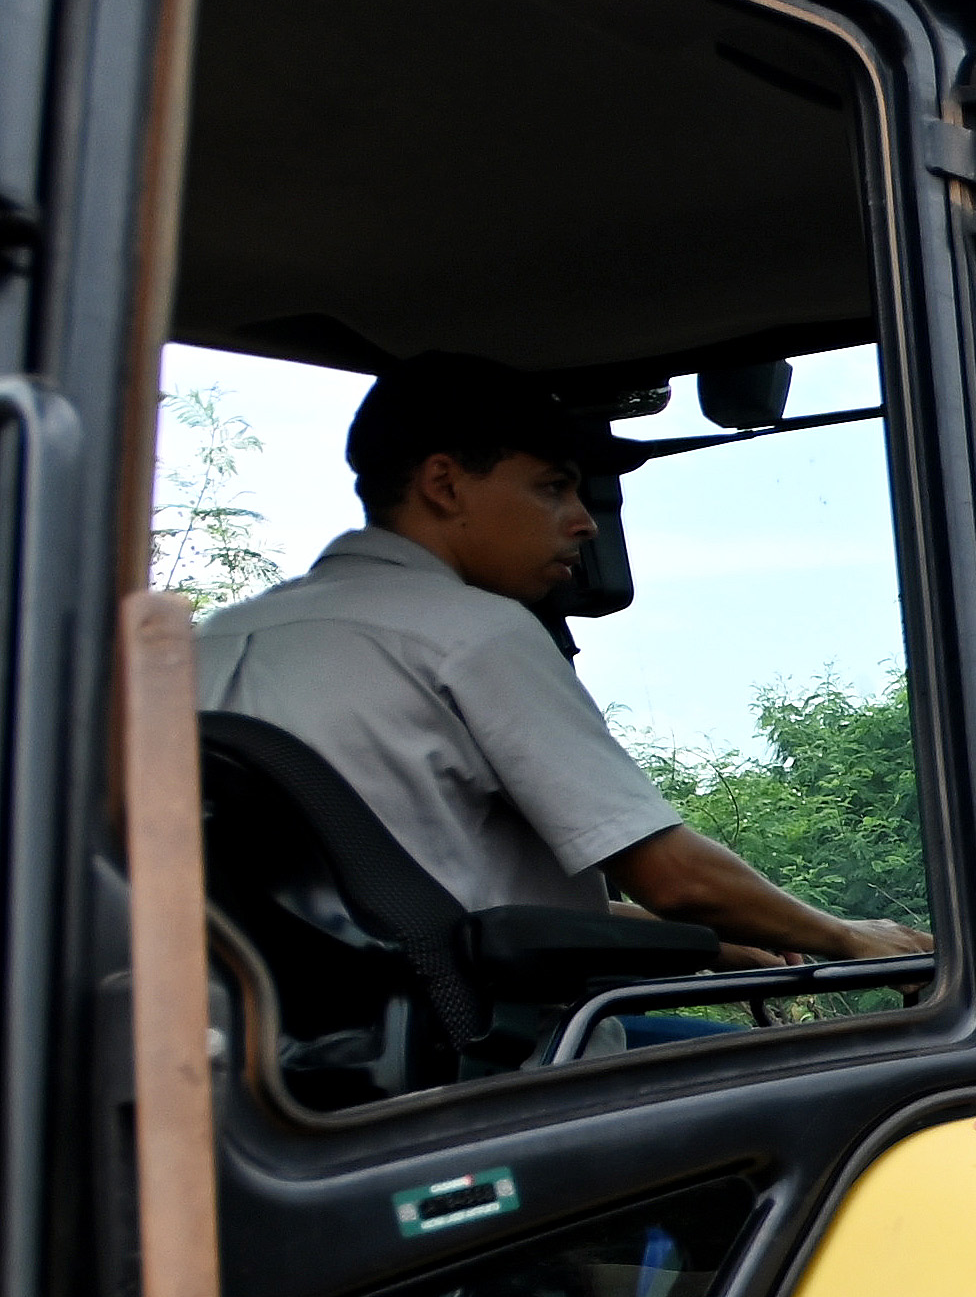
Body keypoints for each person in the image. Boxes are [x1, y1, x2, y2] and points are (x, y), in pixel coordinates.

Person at [196, 356, 925, 964]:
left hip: (285, 1055)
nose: (583, 521)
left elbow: (439, 913)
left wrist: (724, 943)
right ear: (444, 485)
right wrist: (851, 937)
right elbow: (676, 880)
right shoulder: (472, 635)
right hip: (498, 1063)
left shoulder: (213, 640)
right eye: (552, 487)